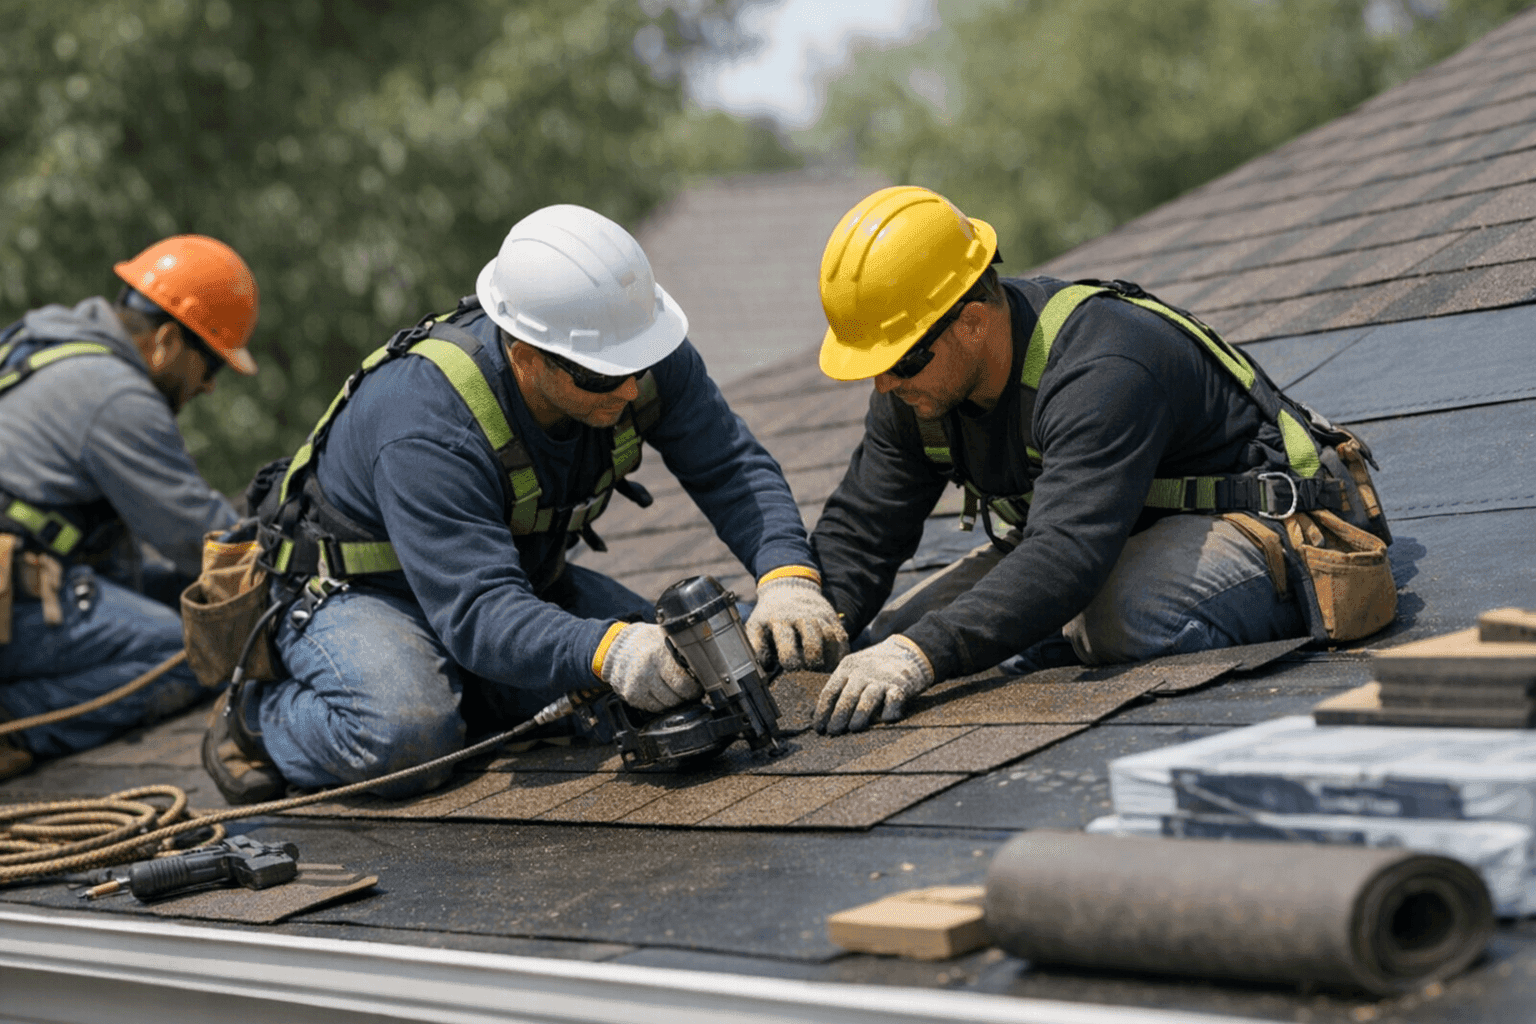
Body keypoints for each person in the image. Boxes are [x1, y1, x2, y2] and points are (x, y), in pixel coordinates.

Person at [206, 204, 845, 804]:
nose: (628, 387)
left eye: (636, 363)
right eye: (600, 374)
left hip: (507, 583)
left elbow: (730, 467)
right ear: (524, 357)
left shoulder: (636, 347)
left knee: (691, 684)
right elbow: (480, 612)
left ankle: (479, 690)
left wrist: (788, 575)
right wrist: (610, 651)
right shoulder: (426, 420)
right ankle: (262, 721)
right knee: (409, 737)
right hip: (362, 594)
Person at [809, 186, 1392, 735]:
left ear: (972, 322)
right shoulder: (916, 390)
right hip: (1113, 527)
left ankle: (1063, 630)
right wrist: (805, 614)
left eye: (902, 361)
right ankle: (1048, 628)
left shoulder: (1102, 362)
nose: (884, 383)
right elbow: (863, 531)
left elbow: (1065, 555)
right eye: (873, 365)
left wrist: (928, 655)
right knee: (880, 644)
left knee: (1117, 618)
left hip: (1269, 518)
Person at [0, 235, 260, 777]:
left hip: (25, 573)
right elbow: (201, 539)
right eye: (209, 363)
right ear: (166, 339)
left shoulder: (40, 340)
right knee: (184, 652)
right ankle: (17, 722)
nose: (209, 387)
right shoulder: (117, 397)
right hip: (15, 596)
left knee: (160, 590)